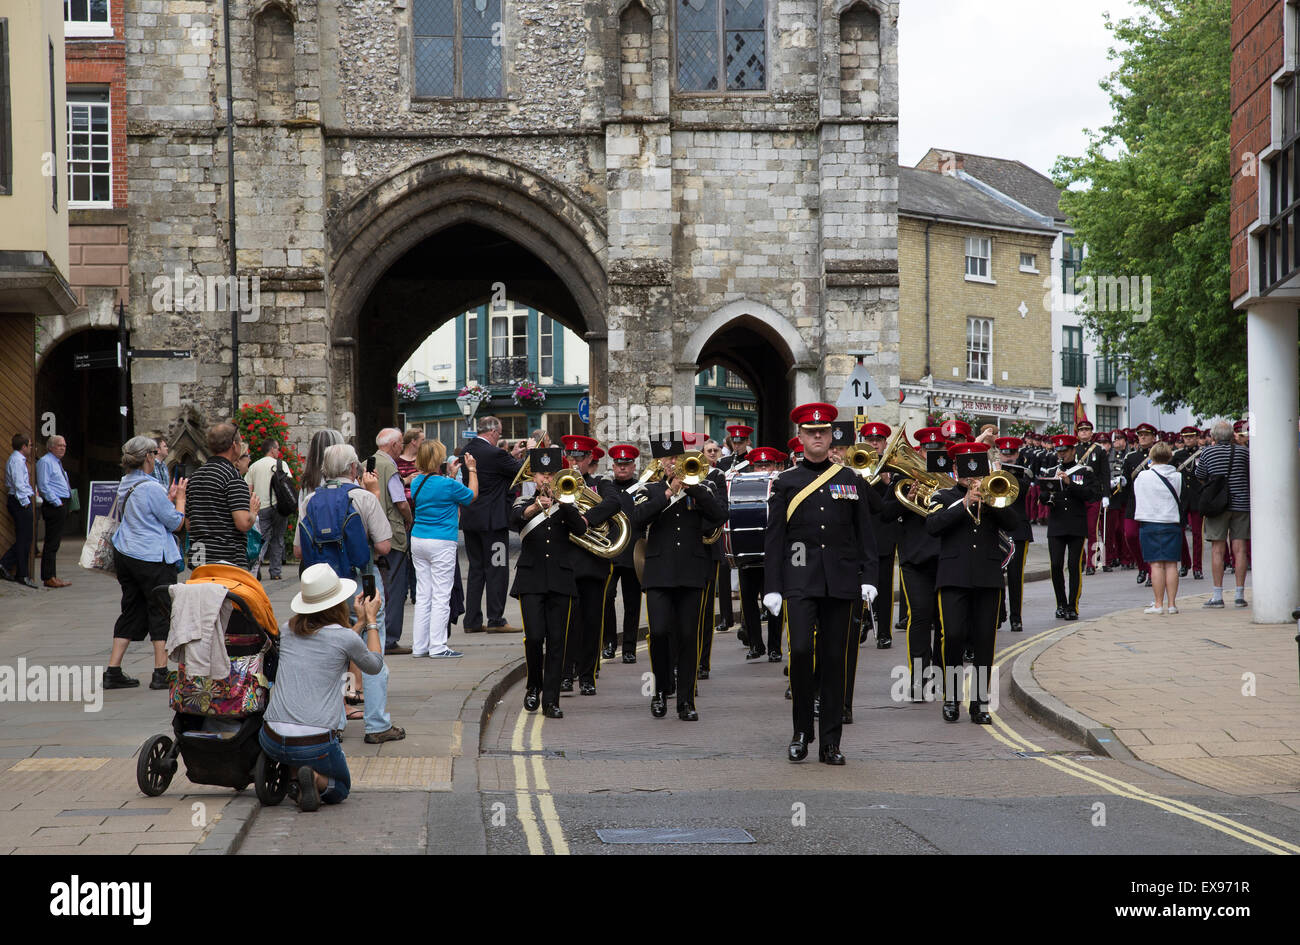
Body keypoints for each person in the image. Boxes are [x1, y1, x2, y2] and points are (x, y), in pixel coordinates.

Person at [764, 404, 878, 764]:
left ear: (831, 437)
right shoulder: (785, 483)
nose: (817, 436)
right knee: (799, 652)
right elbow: (774, 539)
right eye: (811, 431)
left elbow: (865, 536)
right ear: (800, 437)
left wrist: (869, 578)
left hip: (842, 583)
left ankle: (831, 742)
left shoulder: (852, 481)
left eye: (823, 432)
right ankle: (801, 731)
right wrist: (772, 586)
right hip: (800, 580)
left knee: (834, 660)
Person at [298, 442, 405, 744]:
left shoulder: (310, 501)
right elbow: (384, 546)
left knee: (330, 652)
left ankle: (332, 724)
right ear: (353, 469)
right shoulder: (362, 498)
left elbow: (298, 548)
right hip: (361, 581)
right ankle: (377, 724)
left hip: (323, 587)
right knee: (372, 646)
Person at [260, 563, 384, 811]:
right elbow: (374, 665)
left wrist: (357, 624)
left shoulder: (287, 630)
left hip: (271, 736)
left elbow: (333, 641)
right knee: (340, 787)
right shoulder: (345, 637)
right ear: (338, 603)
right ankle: (313, 779)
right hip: (314, 742)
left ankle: (295, 776)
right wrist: (370, 621)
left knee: (295, 748)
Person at [926, 442, 1016, 724]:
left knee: (984, 642)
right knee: (951, 636)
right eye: (964, 467)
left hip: (987, 577)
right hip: (953, 577)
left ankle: (979, 702)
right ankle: (951, 697)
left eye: (976, 466)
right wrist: (964, 502)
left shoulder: (994, 494)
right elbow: (933, 526)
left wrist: (989, 499)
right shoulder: (942, 495)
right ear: (954, 469)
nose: (971, 473)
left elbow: (1014, 523)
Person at [510, 446, 587, 718]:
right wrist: (534, 508)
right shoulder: (522, 502)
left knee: (557, 641)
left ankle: (551, 700)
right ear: (534, 476)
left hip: (561, 579)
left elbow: (581, 529)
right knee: (533, 637)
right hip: (530, 579)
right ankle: (533, 686)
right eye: (542, 474)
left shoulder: (569, 502)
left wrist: (564, 504)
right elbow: (513, 520)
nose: (546, 479)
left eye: (552, 474)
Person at [105, 436, 187, 690]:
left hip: (126, 554)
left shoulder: (125, 483)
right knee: (160, 610)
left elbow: (149, 512)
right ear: (148, 456)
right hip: (151, 555)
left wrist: (168, 498)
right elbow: (175, 522)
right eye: (153, 452)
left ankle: (113, 670)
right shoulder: (151, 487)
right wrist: (180, 499)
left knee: (131, 608)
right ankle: (161, 673)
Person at [557, 434, 622, 694]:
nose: (573, 462)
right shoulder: (560, 484)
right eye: (570, 457)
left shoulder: (599, 484)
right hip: (566, 562)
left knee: (592, 622)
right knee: (566, 623)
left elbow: (614, 502)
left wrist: (587, 519)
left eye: (579, 458)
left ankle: (587, 677)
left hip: (593, 564)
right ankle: (565, 673)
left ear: (589, 460)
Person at [409, 438, 477, 658]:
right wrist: (472, 470)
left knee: (423, 594)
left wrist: (449, 473)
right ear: (439, 459)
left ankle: (419, 646)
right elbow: (471, 496)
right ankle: (438, 646)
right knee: (441, 594)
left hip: (418, 539)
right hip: (442, 542)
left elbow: (434, 486)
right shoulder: (448, 485)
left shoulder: (416, 482)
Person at [460, 416, 525, 633]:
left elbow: (496, 469)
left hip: (471, 520)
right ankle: (496, 618)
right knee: (497, 569)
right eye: (500, 433)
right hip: (493, 522)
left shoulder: (467, 450)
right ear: (494, 432)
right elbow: (520, 471)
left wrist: (511, 454)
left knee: (476, 570)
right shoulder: (495, 453)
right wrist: (529, 452)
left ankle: (472, 620)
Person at [1042, 434, 1100, 620]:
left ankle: (1072, 605)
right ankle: (1060, 603)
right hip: (1057, 523)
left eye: (1065, 451)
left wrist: (1070, 483)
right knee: (1056, 565)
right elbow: (1042, 498)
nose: (1061, 455)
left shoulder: (1085, 471)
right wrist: (1049, 490)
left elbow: (1091, 494)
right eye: (1058, 451)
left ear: (1073, 451)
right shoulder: (1052, 470)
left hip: (1076, 523)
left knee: (1073, 565)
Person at [186, 423, 258, 568]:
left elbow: (189, 524)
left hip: (199, 560)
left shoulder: (195, 477)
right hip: (226, 561)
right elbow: (243, 523)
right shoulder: (232, 477)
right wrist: (253, 512)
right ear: (234, 445)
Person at [1195, 420, 1251, 609]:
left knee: (1218, 549)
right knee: (1240, 548)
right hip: (1241, 503)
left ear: (1214, 437)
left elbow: (1200, 474)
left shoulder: (1208, 452)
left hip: (1217, 505)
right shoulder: (1244, 451)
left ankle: (1217, 595)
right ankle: (1239, 594)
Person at [372, 429, 414, 654]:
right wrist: (409, 519)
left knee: (375, 583)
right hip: (391, 532)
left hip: (371, 531)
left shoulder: (368, 462)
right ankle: (390, 639)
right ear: (394, 445)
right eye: (400, 444)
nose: (402, 447)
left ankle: (373, 633)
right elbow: (401, 501)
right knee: (396, 586)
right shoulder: (390, 466)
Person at [604, 443, 645, 663]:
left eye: (626, 464)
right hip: (610, 552)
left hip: (632, 552)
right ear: (613, 466)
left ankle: (629, 647)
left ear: (633, 465)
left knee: (632, 602)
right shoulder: (606, 488)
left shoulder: (642, 489)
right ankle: (609, 643)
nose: (622, 468)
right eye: (619, 464)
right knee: (606, 598)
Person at [1133, 441, 1183, 615]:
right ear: (1169, 457)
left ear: (1151, 457)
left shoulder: (1143, 476)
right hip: (1171, 521)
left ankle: (1158, 604)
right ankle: (1172, 605)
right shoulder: (1177, 477)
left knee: (1156, 565)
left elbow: (1137, 493)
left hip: (1150, 522)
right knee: (1171, 564)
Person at [994, 436, 1033, 632]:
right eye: (1004, 454)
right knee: (996, 573)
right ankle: (1000, 613)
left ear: (1017, 454)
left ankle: (1016, 618)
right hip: (998, 527)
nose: (1007, 458)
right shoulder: (994, 470)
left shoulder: (1023, 472)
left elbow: (1023, 489)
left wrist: (1008, 473)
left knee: (1016, 576)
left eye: (1011, 454)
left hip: (1018, 529)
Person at [245, 438, 291, 581]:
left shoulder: (254, 466)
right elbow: (289, 483)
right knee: (278, 539)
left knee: (261, 539)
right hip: (279, 507)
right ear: (272, 449)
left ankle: (255, 569)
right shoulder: (281, 464)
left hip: (261, 507)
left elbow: (248, 488)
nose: (278, 451)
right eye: (277, 448)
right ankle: (275, 572)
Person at [36, 435, 73, 588]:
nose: (63, 448)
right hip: (54, 504)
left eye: (64, 445)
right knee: (51, 542)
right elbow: (43, 485)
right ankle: (48, 576)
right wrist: (57, 502)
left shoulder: (57, 463)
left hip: (61, 502)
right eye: (59, 445)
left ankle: (52, 575)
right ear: (51, 447)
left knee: (55, 542)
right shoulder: (46, 462)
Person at [2, 433, 37, 588]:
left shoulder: (18, 460)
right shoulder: (17, 460)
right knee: (24, 538)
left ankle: (13, 568)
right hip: (19, 501)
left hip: (20, 500)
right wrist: (25, 503)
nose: (31, 448)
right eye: (30, 445)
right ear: (23, 446)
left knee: (26, 538)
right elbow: (18, 484)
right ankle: (20, 573)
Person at [1172, 425, 1205, 580]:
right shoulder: (1177, 455)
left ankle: (1197, 567)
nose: (1189, 439)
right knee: (1179, 532)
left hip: (1198, 497)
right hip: (1182, 498)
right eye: (1186, 437)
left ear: (1197, 437)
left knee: (1197, 534)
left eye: (1192, 437)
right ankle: (1185, 563)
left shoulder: (1203, 453)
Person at [397, 427, 423, 605]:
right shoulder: (396, 461)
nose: (423, 443)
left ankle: (416, 592)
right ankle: (402, 590)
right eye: (422, 439)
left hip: (420, 510)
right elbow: (393, 485)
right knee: (402, 551)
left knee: (416, 553)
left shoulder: (422, 461)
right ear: (413, 441)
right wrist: (406, 480)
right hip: (402, 512)